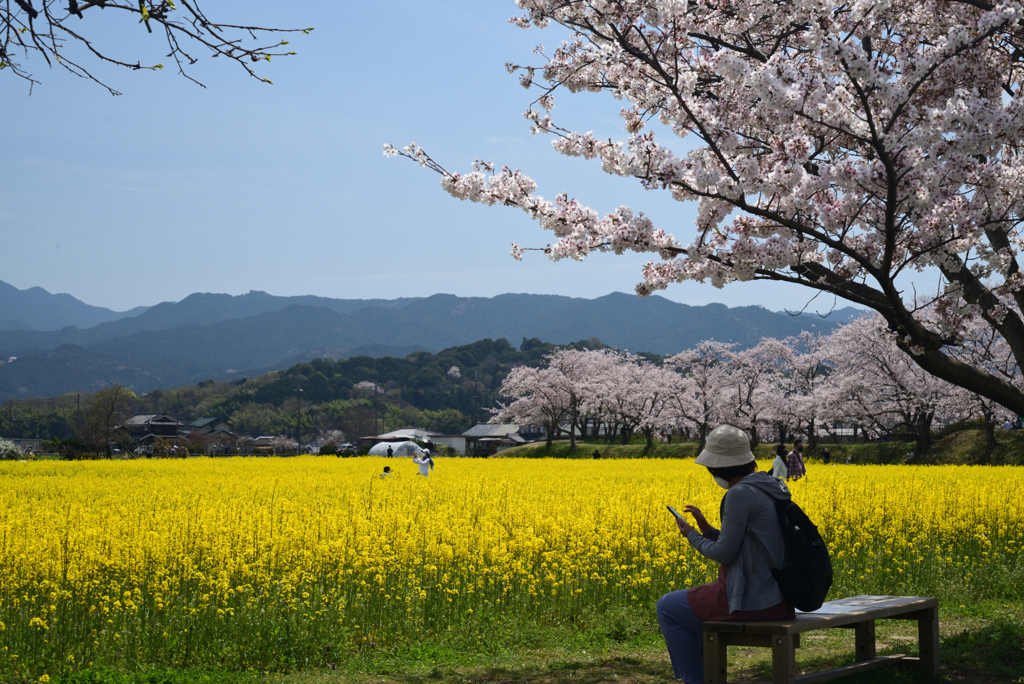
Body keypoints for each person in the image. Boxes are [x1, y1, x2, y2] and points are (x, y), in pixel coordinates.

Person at [657, 424, 794, 683]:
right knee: (690, 609)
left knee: (667, 607)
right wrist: (707, 529)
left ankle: (697, 680)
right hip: (779, 596)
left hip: (751, 599)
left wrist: (691, 535)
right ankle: (705, 677)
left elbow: (724, 554)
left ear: (719, 468)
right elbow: (749, 543)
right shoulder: (769, 485)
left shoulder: (739, 493)